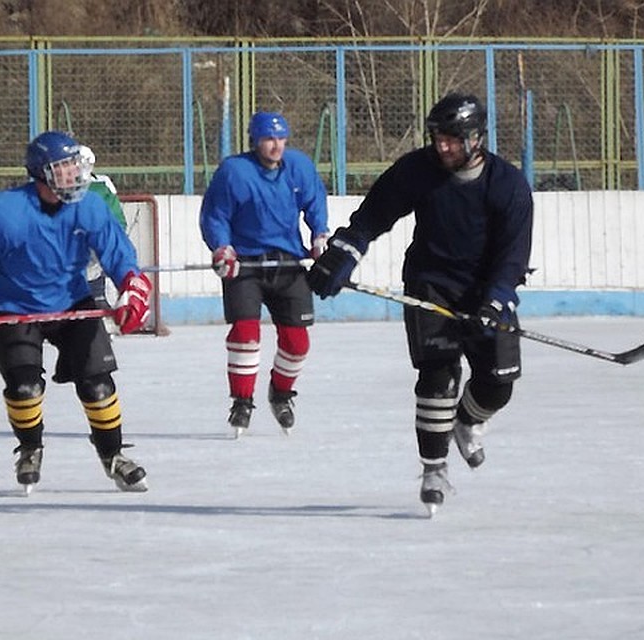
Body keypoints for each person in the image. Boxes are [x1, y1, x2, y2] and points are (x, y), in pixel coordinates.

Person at [307, 93, 533, 515]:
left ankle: (466, 420)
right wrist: (344, 252)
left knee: (498, 382)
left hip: (487, 289)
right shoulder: (418, 169)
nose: (443, 146)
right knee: (437, 376)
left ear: (476, 139)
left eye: (452, 139)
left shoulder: (508, 184)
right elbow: (372, 217)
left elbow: (513, 255)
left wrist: (496, 302)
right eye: (438, 138)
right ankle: (434, 468)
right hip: (431, 283)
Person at [0, 130, 152, 494]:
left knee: (98, 384)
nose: (74, 174)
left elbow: (118, 254)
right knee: (24, 387)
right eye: (63, 167)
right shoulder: (6, 214)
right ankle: (30, 448)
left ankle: (113, 456)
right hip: (13, 310)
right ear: (42, 174)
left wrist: (132, 288)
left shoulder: (90, 205)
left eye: (74, 165)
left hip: (72, 305)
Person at [199, 111, 330, 438]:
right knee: (245, 335)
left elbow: (315, 203)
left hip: (288, 263)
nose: (275, 145)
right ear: (254, 141)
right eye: (268, 139)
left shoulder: (299, 167)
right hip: (245, 266)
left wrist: (319, 236)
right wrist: (222, 248)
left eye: (280, 138)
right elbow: (215, 215)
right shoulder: (234, 172)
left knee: (297, 342)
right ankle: (242, 401)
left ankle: (281, 393)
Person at [81, 145, 129, 319]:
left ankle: (99, 299)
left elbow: (118, 221)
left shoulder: (101, 185)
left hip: (95, 252)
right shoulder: (56, 189)